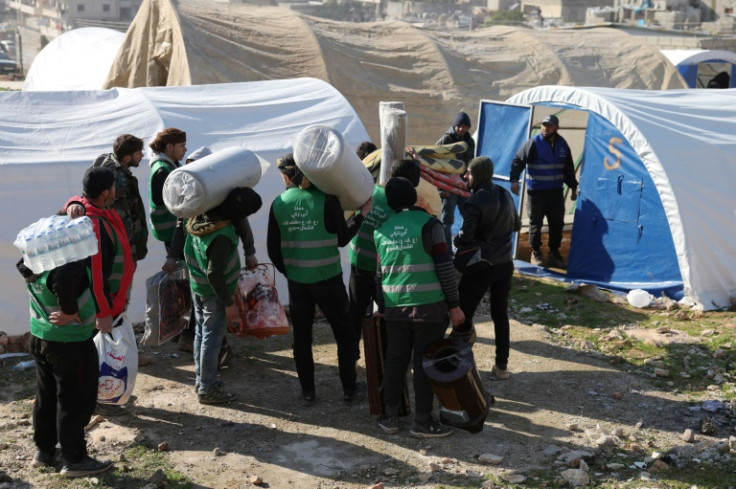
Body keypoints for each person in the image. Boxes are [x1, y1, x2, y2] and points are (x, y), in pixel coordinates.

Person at [267, 153, 369, 407]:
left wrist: (291, 271)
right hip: (328, 279)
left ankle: (308, 392)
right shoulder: (327, 201)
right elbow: (342, 238)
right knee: (344, 333)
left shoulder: (279, 203)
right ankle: (349, 389)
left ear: (287, 176)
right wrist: (360, 216)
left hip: (298, 283)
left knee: (302, 337)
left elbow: (273, 249)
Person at [374, 177, 464, 438]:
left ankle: (389, 417)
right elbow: (445, 268)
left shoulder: (381, 230)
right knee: (425, 364)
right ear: (414, 198)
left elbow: (379, 276)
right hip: (429, 311)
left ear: (390, 202)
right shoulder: (430, 225)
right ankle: (422, 422)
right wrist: (454, 305)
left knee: (395, 361)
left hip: (395, 310)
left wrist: (382, 305)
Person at [17, 249, 113, 477]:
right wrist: (69, 311)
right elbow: (64, 279)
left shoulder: (36, 257)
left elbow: (22, 266)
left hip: (41, 336)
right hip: (69, 342)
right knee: (73, 399)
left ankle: (44, 451)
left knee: (46, 396)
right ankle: (74, 459)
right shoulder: (69, 258)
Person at [167, 146, 259, 365]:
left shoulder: (222, 193)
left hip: (203, 276)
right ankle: (209, 375)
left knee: (205, 328)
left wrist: (250, 252)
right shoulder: (190, 196)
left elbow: (242, 222)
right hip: (209, 278)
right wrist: (172, 257)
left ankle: (208, 368)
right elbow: (180, 226)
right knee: (210, 330)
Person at [62, 167, 135, 415]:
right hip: (101, 306)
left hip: (108, 301)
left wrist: (74, 201)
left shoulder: (97, 210)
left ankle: (96, 394)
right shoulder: (94, 224)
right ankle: (94, 399)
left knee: (96, 353)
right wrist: (102, 311)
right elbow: (96, 273)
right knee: (92, 355)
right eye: (113, 186)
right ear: (105, 192)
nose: (116, 190)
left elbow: (78, 201)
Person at [184, 187, 263, 404]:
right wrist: (228, 303)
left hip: (198, 287)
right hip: (215, 294)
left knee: (201, 334)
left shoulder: (199, 218)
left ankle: (202, 381)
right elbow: (214, 273)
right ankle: (208, 388)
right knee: (212, 338)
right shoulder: (222, 236)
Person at [454, 156, 520, 380]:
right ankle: (501, 366)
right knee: (500, 314)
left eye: (469, 173)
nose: (466, 177)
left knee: (464, 313)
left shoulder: (476, 200)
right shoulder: (505, 194)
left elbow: (466, 236)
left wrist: (457, 240)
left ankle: (459, 366)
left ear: (479, 175)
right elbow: (517, 224)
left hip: (481, 265)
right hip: (505, 264)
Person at [510, 114, 578, 268]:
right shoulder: (533, 143)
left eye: (549, 125)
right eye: (544, 125)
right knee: (536, 224)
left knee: (556, 224)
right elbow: (518, 161)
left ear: (556, 127)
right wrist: (514, 180)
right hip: (537, 194)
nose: (545, 128)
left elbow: (568, 168)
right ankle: (536, 253)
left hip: (555, 193)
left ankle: (554, 253)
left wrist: (573, 186)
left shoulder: (562, 145)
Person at [91, 134, 149, 263]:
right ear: (127, 158)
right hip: (121, 248)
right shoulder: (118, 180)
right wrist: (130, 252)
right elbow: (122, 219)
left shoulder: (108, 164)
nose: (142, 156)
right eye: (139, 153)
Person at [436, 111, 475, 248]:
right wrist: (441, 189)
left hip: (463, 186)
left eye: (465, 126)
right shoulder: (445, 140)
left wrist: (470, 185)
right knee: (447, 221)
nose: (461, 129)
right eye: (459, 126)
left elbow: (471, 163)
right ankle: (446, 250)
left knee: (469, 217)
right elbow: (435, 164)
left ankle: (466, 246)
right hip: (448, 187)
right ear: (455, 125)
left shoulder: (470, 142)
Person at [148, 127, 187, 253]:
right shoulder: (162, 170)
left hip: (177, 230)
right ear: (169, 147)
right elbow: (177, 201)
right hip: (173, 232)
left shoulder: (172, 165)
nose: (185, 149)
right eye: (182, 146)